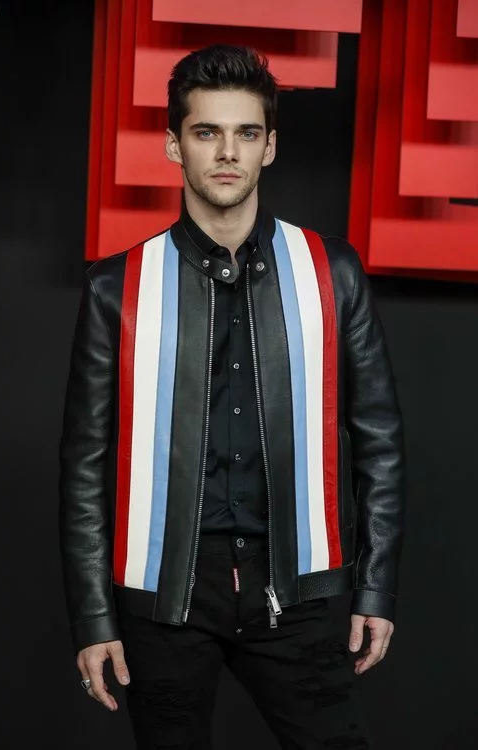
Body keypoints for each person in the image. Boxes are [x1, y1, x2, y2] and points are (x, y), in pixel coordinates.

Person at [59, 44, 405, 750]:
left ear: (269, 146)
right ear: (173, 145)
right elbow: (85, 465)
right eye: (206, 132)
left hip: (298, 588)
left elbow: (379, 441)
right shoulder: (116, 287)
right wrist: (93, 618)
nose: (227, 152)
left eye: (246, 132)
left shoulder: (333, 272)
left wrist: (375, 588)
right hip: (164, 599)